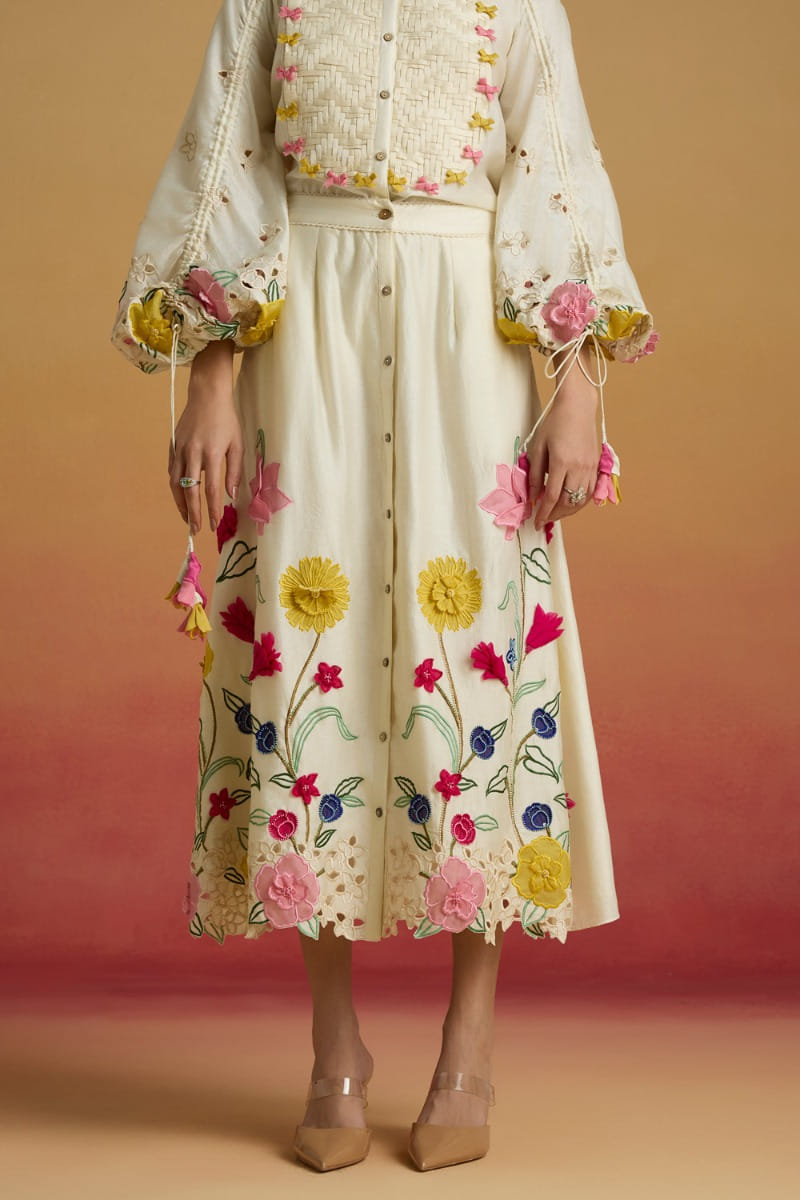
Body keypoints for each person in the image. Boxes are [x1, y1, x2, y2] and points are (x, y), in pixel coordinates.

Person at [110, 0, 657, 1174]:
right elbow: (226, 168)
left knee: (476, 666)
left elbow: (557, 171)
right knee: (308, 657)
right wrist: (211, 382)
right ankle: (333, 1049)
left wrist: (576, 389)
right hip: (303, 336)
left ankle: (468, 1046)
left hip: (471, 345)